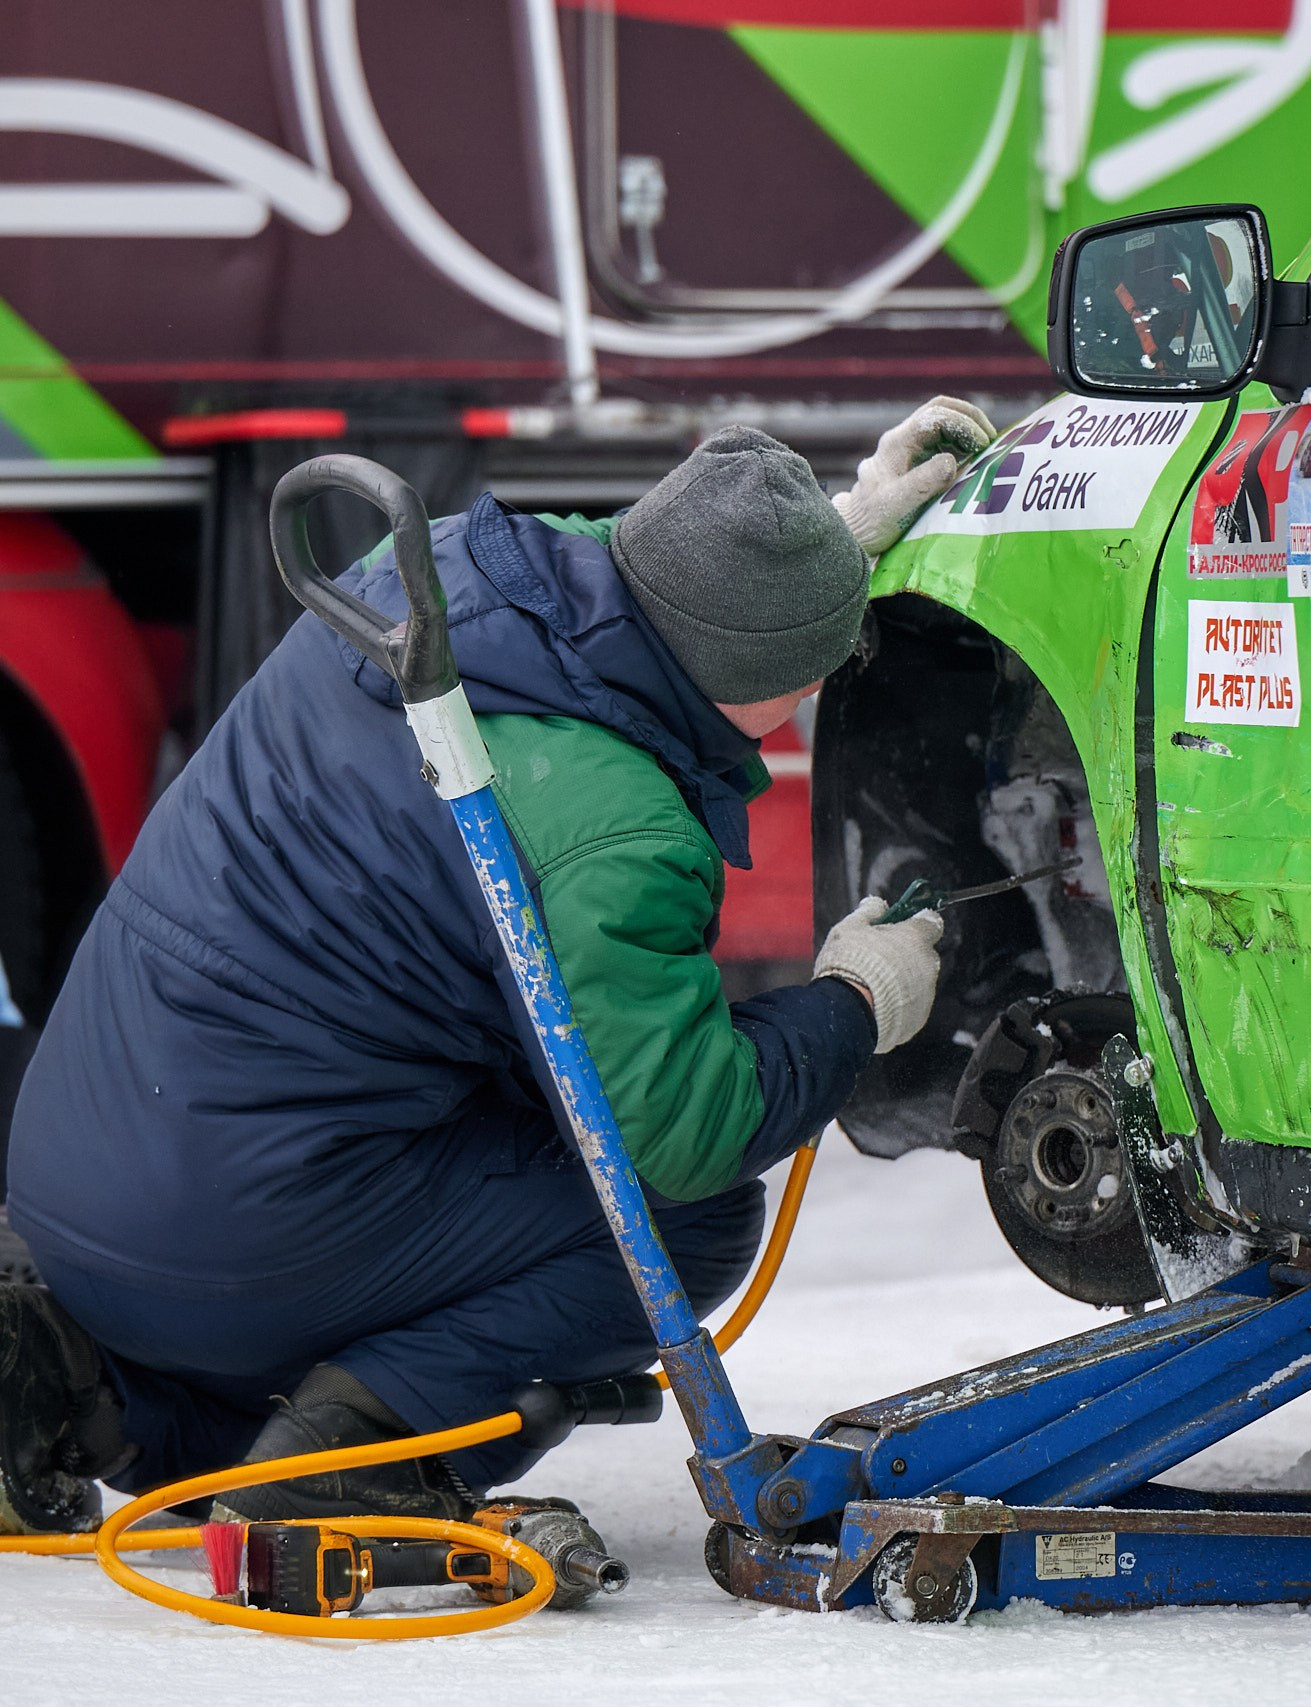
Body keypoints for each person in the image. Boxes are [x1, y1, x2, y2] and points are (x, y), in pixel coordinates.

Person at [0, 399, 994, 1535]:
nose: (814, 695)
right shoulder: (614, 827)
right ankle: (346, 1469)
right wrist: (858, 1001)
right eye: (813, 668)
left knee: (473, 1136)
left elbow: (641, 567)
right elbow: (685, 1136)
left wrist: (821, 549)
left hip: (77, 1176)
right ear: (757, 678)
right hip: (226, 1225)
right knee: (680, 1222)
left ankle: (80, 1380)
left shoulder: (429, 580)